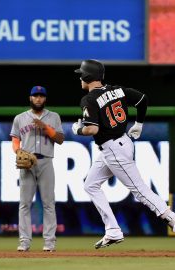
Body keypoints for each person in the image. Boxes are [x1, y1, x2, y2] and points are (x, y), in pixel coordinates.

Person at [72, 59, 175, 249]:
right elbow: (143, 99)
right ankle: (112, 230)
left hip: (113, 149)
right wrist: (139, 123)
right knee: (90, 184)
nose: (80, 77)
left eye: (81, 74)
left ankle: (171, 218)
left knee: (140, 190)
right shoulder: (117, 90)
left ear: (88, 76)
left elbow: (92, 130)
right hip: (120, 143)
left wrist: (78, 129)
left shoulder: (88, 99)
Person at [10, 86, 64, 252]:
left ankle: (49, 243)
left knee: (48, 203)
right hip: (27, 163)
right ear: (30, 98)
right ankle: (24, 242)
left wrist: (45, 127)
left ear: (45, 99)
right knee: (24, 204)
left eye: (41, 96)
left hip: (46, 161)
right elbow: (15, 139)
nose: (38, 99)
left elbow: (60, 139)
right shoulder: (20, 118)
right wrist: (18, 151)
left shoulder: (54, 117)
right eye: (35, 96)